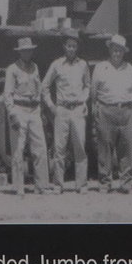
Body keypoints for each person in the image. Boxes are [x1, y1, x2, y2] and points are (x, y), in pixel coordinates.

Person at [0, 36, 48, 192]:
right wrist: (12, 114)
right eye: (24, 51)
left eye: (30, 50)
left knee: (40, 148)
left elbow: (39, 89)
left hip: (34, 110)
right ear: (19, 52)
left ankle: (42, 185)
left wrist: (41, 109)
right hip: (19, 109)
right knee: (18, 149)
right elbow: (8, 94)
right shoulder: (12, 69)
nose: (27, 53)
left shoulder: (35, 67)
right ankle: (19, 187)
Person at [43, 31, 92, 191]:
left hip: (77, 109)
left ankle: (81, 184)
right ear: (64, 47)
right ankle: (58, 185)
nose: (71, 49)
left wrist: (84, 100)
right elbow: (45, 86)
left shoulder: (83, 65)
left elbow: (87, 85)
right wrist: (51, 106)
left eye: (74, 46)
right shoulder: (57, 64)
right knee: (59, 149)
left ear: (77, 47)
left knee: (80, 148)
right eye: (69, 46)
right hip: (62, 110)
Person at [90, 34, 132, 192]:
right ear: (110, 50)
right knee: (105, 148)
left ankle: (126, 182)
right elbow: (93, 92)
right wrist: (96, 109)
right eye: (114, 50)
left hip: (126, 110)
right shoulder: (100, 67)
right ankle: (105, 182)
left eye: (120, 51)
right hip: (106, 109)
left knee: (126, 148)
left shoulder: (130, 68)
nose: (117, 54)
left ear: (124, 52)